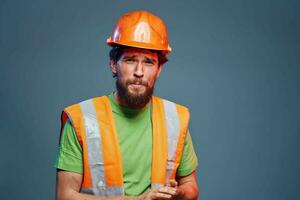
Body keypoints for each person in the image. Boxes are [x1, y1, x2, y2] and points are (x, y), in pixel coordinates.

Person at [55, 10, 199, 200]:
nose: (139, 72)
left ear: (159, 69)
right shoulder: (82, 118)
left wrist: (175, 192)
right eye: (130, 60)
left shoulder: (175, 118)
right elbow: (65, 196)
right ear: (114, 64)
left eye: (148, 62)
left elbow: (191, 187)